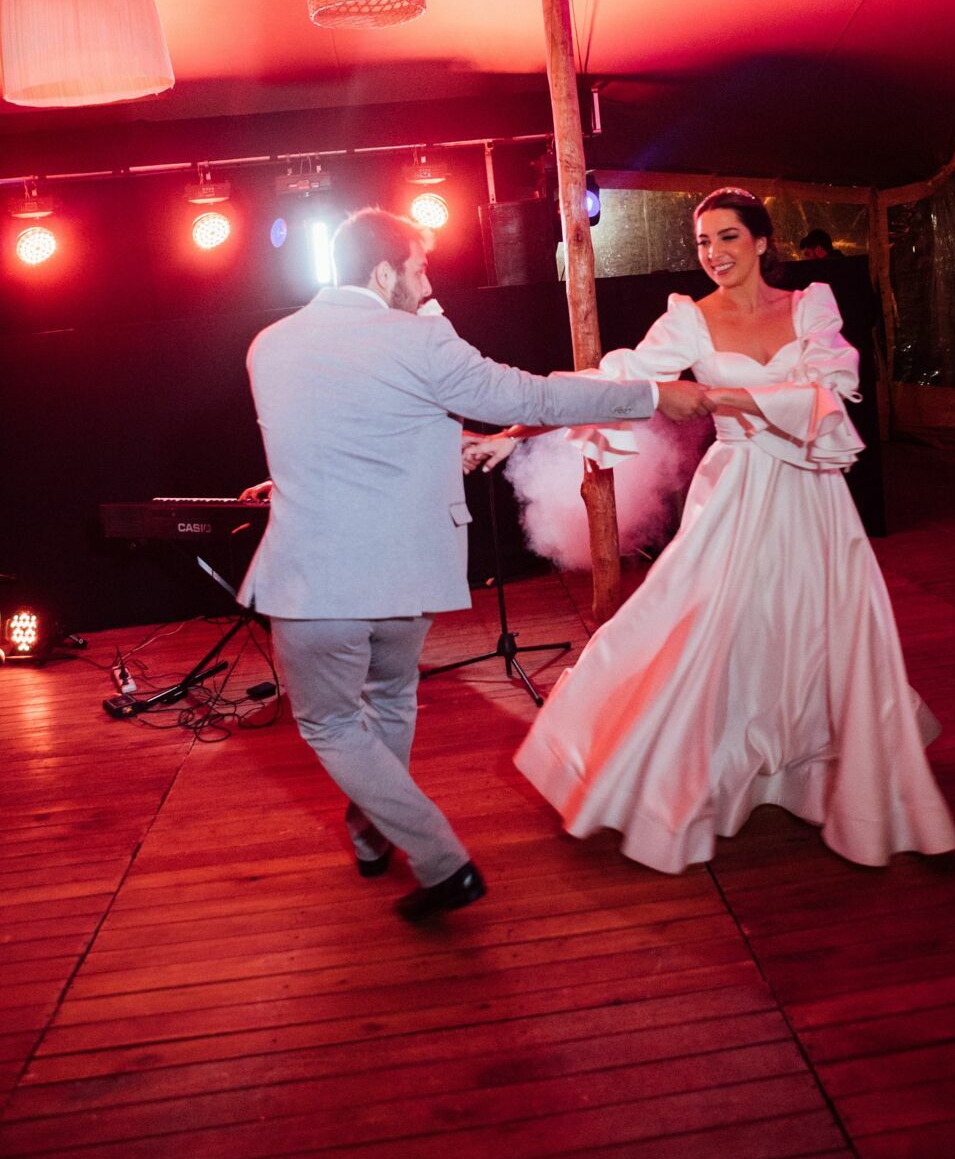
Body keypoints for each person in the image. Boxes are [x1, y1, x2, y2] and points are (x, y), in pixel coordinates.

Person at [238, 207, 715, 921]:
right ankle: (398, 844)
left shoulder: (267, 346)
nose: (428, 283)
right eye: (420, 268)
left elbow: (343, 438)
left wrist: (441, 441)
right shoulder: (419, 340)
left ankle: (414, 847)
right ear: (384, 270)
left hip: (314, 581)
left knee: (332, 724)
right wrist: (649, 394)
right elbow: (530, 397)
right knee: (386, 703)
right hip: (404, 576)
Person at [473, 188, 955, 872]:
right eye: (703, 243)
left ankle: (814, 772)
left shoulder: (809, 304)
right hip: (734, 493)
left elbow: (828, 389)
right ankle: (688, 771)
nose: (714, 254)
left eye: (727, 238)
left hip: (810, 493)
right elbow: (613, 381)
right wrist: (518, 429)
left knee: (818, 625)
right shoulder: (688, 321)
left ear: (761, 242)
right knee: (708, 625)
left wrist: (722, 396)